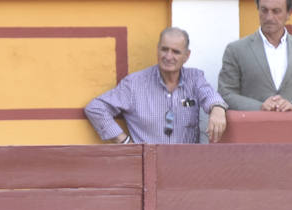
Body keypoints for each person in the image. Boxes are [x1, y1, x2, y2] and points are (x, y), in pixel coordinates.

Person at [85, 27, 228, 144]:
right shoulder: (135, 84)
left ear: (186, 56)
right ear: (157, 49)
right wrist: (124, 142)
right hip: (148, 169)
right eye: (164, 49)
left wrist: (217, 108)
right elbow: (96, 108)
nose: (168, 56)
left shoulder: (195, 78)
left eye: (176, 52)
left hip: (186, 167)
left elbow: (208, 94)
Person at [218, 0, 292, 111]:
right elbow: (225, 93)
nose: (269, 17)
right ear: (258, 10)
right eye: (264, 10)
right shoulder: (236, 50)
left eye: (276, 11)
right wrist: (258, 107)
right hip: (253, 126)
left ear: (289, 13)